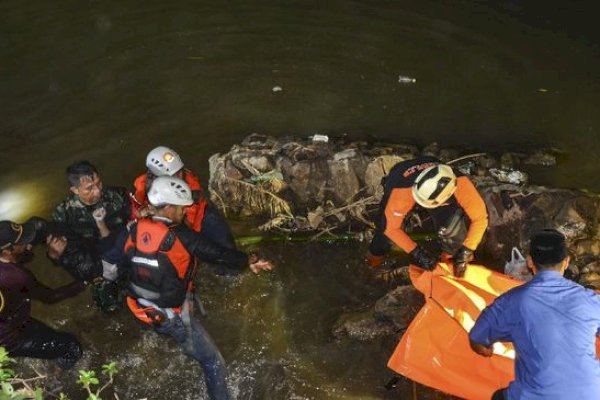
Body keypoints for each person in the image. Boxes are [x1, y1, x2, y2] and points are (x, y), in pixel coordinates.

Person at [122, 176, 273, 400]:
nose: (184, 213)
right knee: (213, 361)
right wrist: (248, 260)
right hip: (171, 317)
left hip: (140, 308)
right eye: (182, 208)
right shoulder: (182, 236)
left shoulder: (135, 228)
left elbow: (121, 261)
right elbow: (218, 254)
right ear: (170, 208)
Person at [469, 229, 600, 400]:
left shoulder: (511, 301)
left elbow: (477, 338)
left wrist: (488, 349)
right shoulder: (591, 300)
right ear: (566, 262)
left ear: (530, 262)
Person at [367, 157, 488, 277]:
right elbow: (391, 229)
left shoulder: (462, 184)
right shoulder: (401, 193)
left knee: (451, 232)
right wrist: (417, 253)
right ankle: (375, 259)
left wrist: (467, 250)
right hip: (401, 177)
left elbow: (480, 218)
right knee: (383, 228)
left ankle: (448, 267)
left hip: (439, 189)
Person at [0, 219, 85, 368]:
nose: (27, 243)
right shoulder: (17, 277)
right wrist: (83, 282)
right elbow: (50, 297)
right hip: (9, 337)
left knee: (51, 335)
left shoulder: (7, 266)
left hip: (13, 320)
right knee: (71, 346)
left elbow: (21, 256)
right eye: (23, 242)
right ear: (7, 251)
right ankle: (62, 380)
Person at [51, 160, 131, 311]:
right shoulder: (64, 213)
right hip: (94, 260)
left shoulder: (118, 196)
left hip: (121, 249)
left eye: (99, 184)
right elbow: (63, 253)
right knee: (108, 304)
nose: (98, 191)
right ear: (75, 190)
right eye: (89, 189)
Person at [131, 146, 236, 250]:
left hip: (200, 217)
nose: (180, 177)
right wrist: (141, 214)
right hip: (165, 221)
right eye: (175, 175)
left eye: (180, 171)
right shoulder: (143, 184)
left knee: (223, 240)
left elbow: (187, 220)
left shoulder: (191, 188)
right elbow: (136, 208)